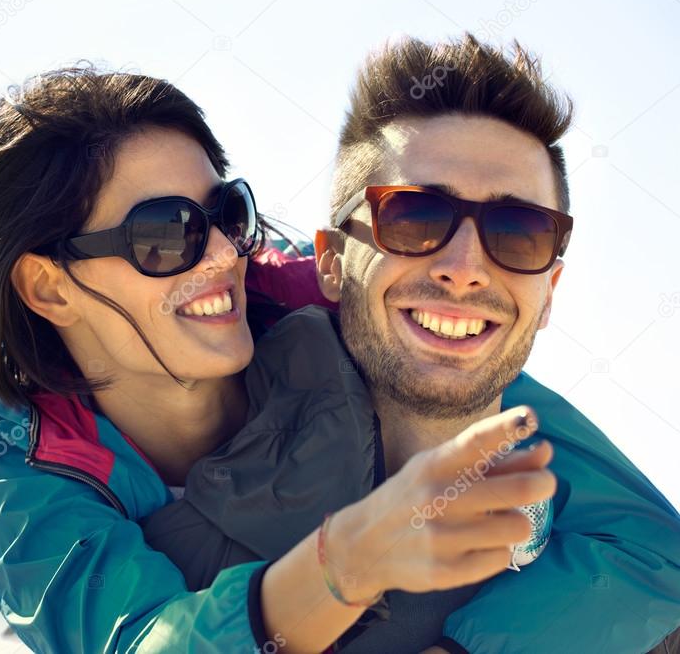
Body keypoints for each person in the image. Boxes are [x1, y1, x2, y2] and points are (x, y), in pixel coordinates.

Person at [0, 65, 554, 653]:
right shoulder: (21, 473)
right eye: (164, 232)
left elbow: (630, 534)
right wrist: (340, 565)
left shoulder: (345, 298)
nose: (222, 255)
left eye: (226, 215)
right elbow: (133, 640)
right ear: (50, 289)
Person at [140, 35, 680, 653]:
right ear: (331, 261)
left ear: (550, 288)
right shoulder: (179, 562)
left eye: (520, 232)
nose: (465, 266)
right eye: (415, 217)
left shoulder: (641, 619)